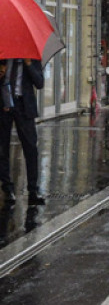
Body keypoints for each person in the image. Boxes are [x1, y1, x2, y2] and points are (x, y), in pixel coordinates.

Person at [0, 59, 46, 206]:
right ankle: (8, 189)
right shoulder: (3, 57)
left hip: (24, 106)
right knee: (2, 149)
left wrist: (28, 64)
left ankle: (33, 190)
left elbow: (39, 83)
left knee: (31, 148)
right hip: (4, 105)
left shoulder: (33, 59)